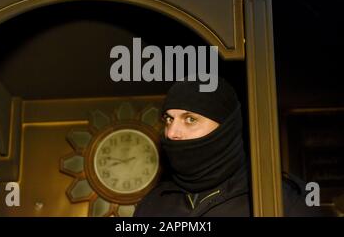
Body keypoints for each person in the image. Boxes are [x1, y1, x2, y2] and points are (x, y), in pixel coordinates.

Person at [134, 76, 322, 217]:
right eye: (169, 119)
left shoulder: (284, 198)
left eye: (190, 119)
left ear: (226, 128)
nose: (172, 132)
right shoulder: (152, 204)